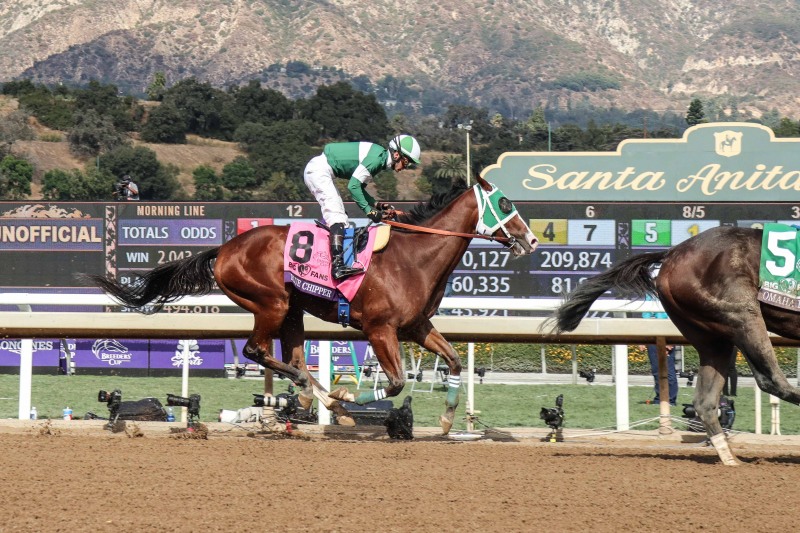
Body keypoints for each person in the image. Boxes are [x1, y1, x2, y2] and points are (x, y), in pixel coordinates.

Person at [303, 134, 421, 280]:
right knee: (338, 217)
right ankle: (337, 266)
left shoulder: (379, 159)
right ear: (396, 155)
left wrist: (377, 205)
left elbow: (359, 189)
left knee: (342, 220)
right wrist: (370, 212)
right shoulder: (376, 159)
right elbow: (353, 186)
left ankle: (334, 261)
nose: (406, 166)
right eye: (406, 161)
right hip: (318, 172)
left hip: (320, 171)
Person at [640, 303, 678, 405]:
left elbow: (675, 319)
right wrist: (643, 340)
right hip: (652, 336)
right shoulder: (648, 298)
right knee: (656, 370)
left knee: (668, 371)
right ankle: (659, 399)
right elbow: (645, 319)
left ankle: (670, 400)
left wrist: (670, 342)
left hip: (667, 335)